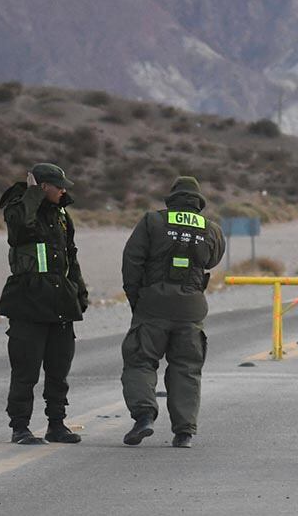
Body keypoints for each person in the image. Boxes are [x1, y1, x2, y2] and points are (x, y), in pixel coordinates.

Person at [120, 176, 226, 448]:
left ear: (173, 198)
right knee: (187, 368)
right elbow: (213, 260)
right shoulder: (211, 229)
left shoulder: (152, 221)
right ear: (198, 202)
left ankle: (144, 416)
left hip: (153, 304)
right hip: (191, 309)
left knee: (141, 361)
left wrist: (137, 298)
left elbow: (132, 261)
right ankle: (184, 432)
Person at [0, 163, 88, 445]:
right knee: (26, 369)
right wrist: (33, 193)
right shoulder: (19, 207)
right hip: (28, 300)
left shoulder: (62, 214)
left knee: (59, 370)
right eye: (58, 186)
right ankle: (20, 427)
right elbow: (19, 226)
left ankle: (56, 425)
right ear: (42, 186)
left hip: (60, 300)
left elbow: (70, 256)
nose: (63, 191)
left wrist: (79, 292)